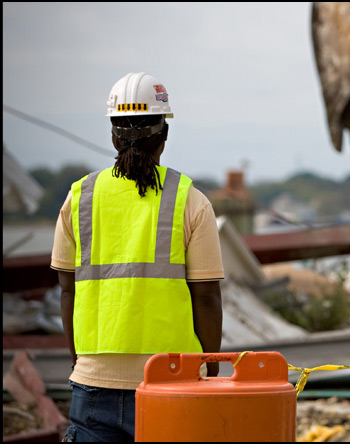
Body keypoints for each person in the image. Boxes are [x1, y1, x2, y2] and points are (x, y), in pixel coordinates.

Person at [51, 72, 224, 442]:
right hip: (172, 379)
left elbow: (68, 292)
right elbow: (206, 296)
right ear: (164, 134)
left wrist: (80, 360)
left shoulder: (79, 198)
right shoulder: (190, 200)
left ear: (114, 135)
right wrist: (209, 366)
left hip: (93, 382)